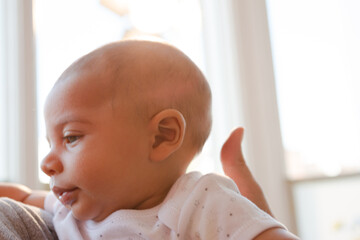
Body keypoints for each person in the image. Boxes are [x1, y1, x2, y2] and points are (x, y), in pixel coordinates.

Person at [0, 40, 298, 239]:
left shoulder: (198, 201)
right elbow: (25, 197)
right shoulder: (69, 211)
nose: (47, 162)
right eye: (50, 144)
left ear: (161, 137)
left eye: (71, 137)